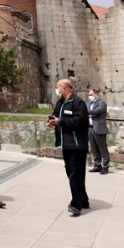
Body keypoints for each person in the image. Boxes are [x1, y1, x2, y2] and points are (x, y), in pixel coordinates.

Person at [49, 78, 89, 216]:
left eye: (58, 87)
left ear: (65, 89)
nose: (56, 89)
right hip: (66, 144)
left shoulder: (78, 103)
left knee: (75, 175)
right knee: (71, 173)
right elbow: (56, 115)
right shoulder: (61, 102)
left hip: (77, 145)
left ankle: (76, 205)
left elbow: (79, 121)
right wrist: (52, 120)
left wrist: (60, 121)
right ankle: (83, 199)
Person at [87, 87, 110, 174]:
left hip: (99, 128)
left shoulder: (102, 103)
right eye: (89, 95)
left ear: (96, 94)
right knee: (94, 148)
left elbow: (98, 110)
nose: (90, 96)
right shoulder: (89, 103)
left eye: (91, 94)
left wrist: (89, 112)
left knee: (102, 148)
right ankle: (97, 165)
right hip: (90, 128)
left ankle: (105, 166)